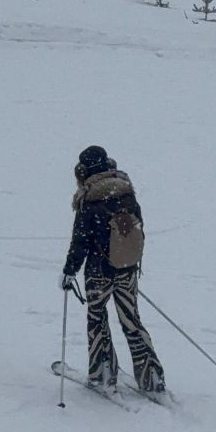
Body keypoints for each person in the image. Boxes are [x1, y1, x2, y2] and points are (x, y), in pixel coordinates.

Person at [60, 145, 165, 393]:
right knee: (132, 321)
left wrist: (69, 271)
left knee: (97, 319)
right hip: (127, 269)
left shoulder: (89, 200)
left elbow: (80, 241)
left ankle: (103, 374)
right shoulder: (127, 193)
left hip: (98, 272)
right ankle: (151, 377)